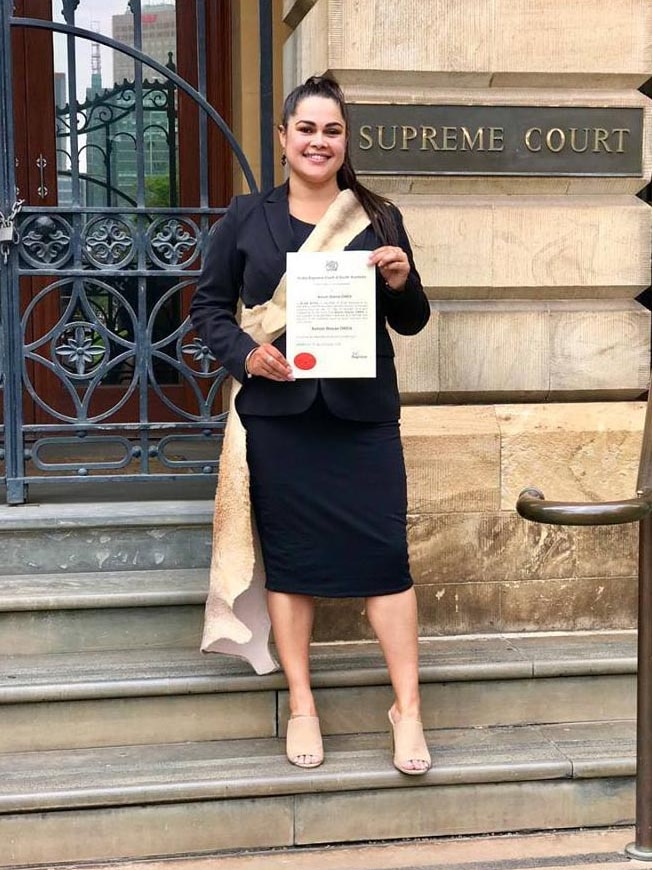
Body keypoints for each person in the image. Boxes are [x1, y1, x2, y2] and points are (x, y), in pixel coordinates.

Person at [190, 75, 431, 775]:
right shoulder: (246, 217)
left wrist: (401, 281)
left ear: (344, 141)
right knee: (290, 567)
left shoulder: (378, 216)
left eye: (331, 131)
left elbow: (412, 320)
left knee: (388, 562)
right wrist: (248, 355)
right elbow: (207, 309)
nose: (318, 142)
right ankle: (302, 703)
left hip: (361, 420)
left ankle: (406, 710)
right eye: (306, 130)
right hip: (281, 419)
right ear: (284, 138)